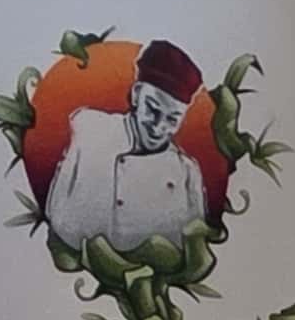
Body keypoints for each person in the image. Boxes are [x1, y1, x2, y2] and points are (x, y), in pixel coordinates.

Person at [45, 41, 210, 253]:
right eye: (152, 109)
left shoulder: (187, 171)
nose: (158, 127)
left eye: (172, 119)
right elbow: (57, 212)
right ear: (136, 94)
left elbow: (196, 243)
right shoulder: (90, 132)